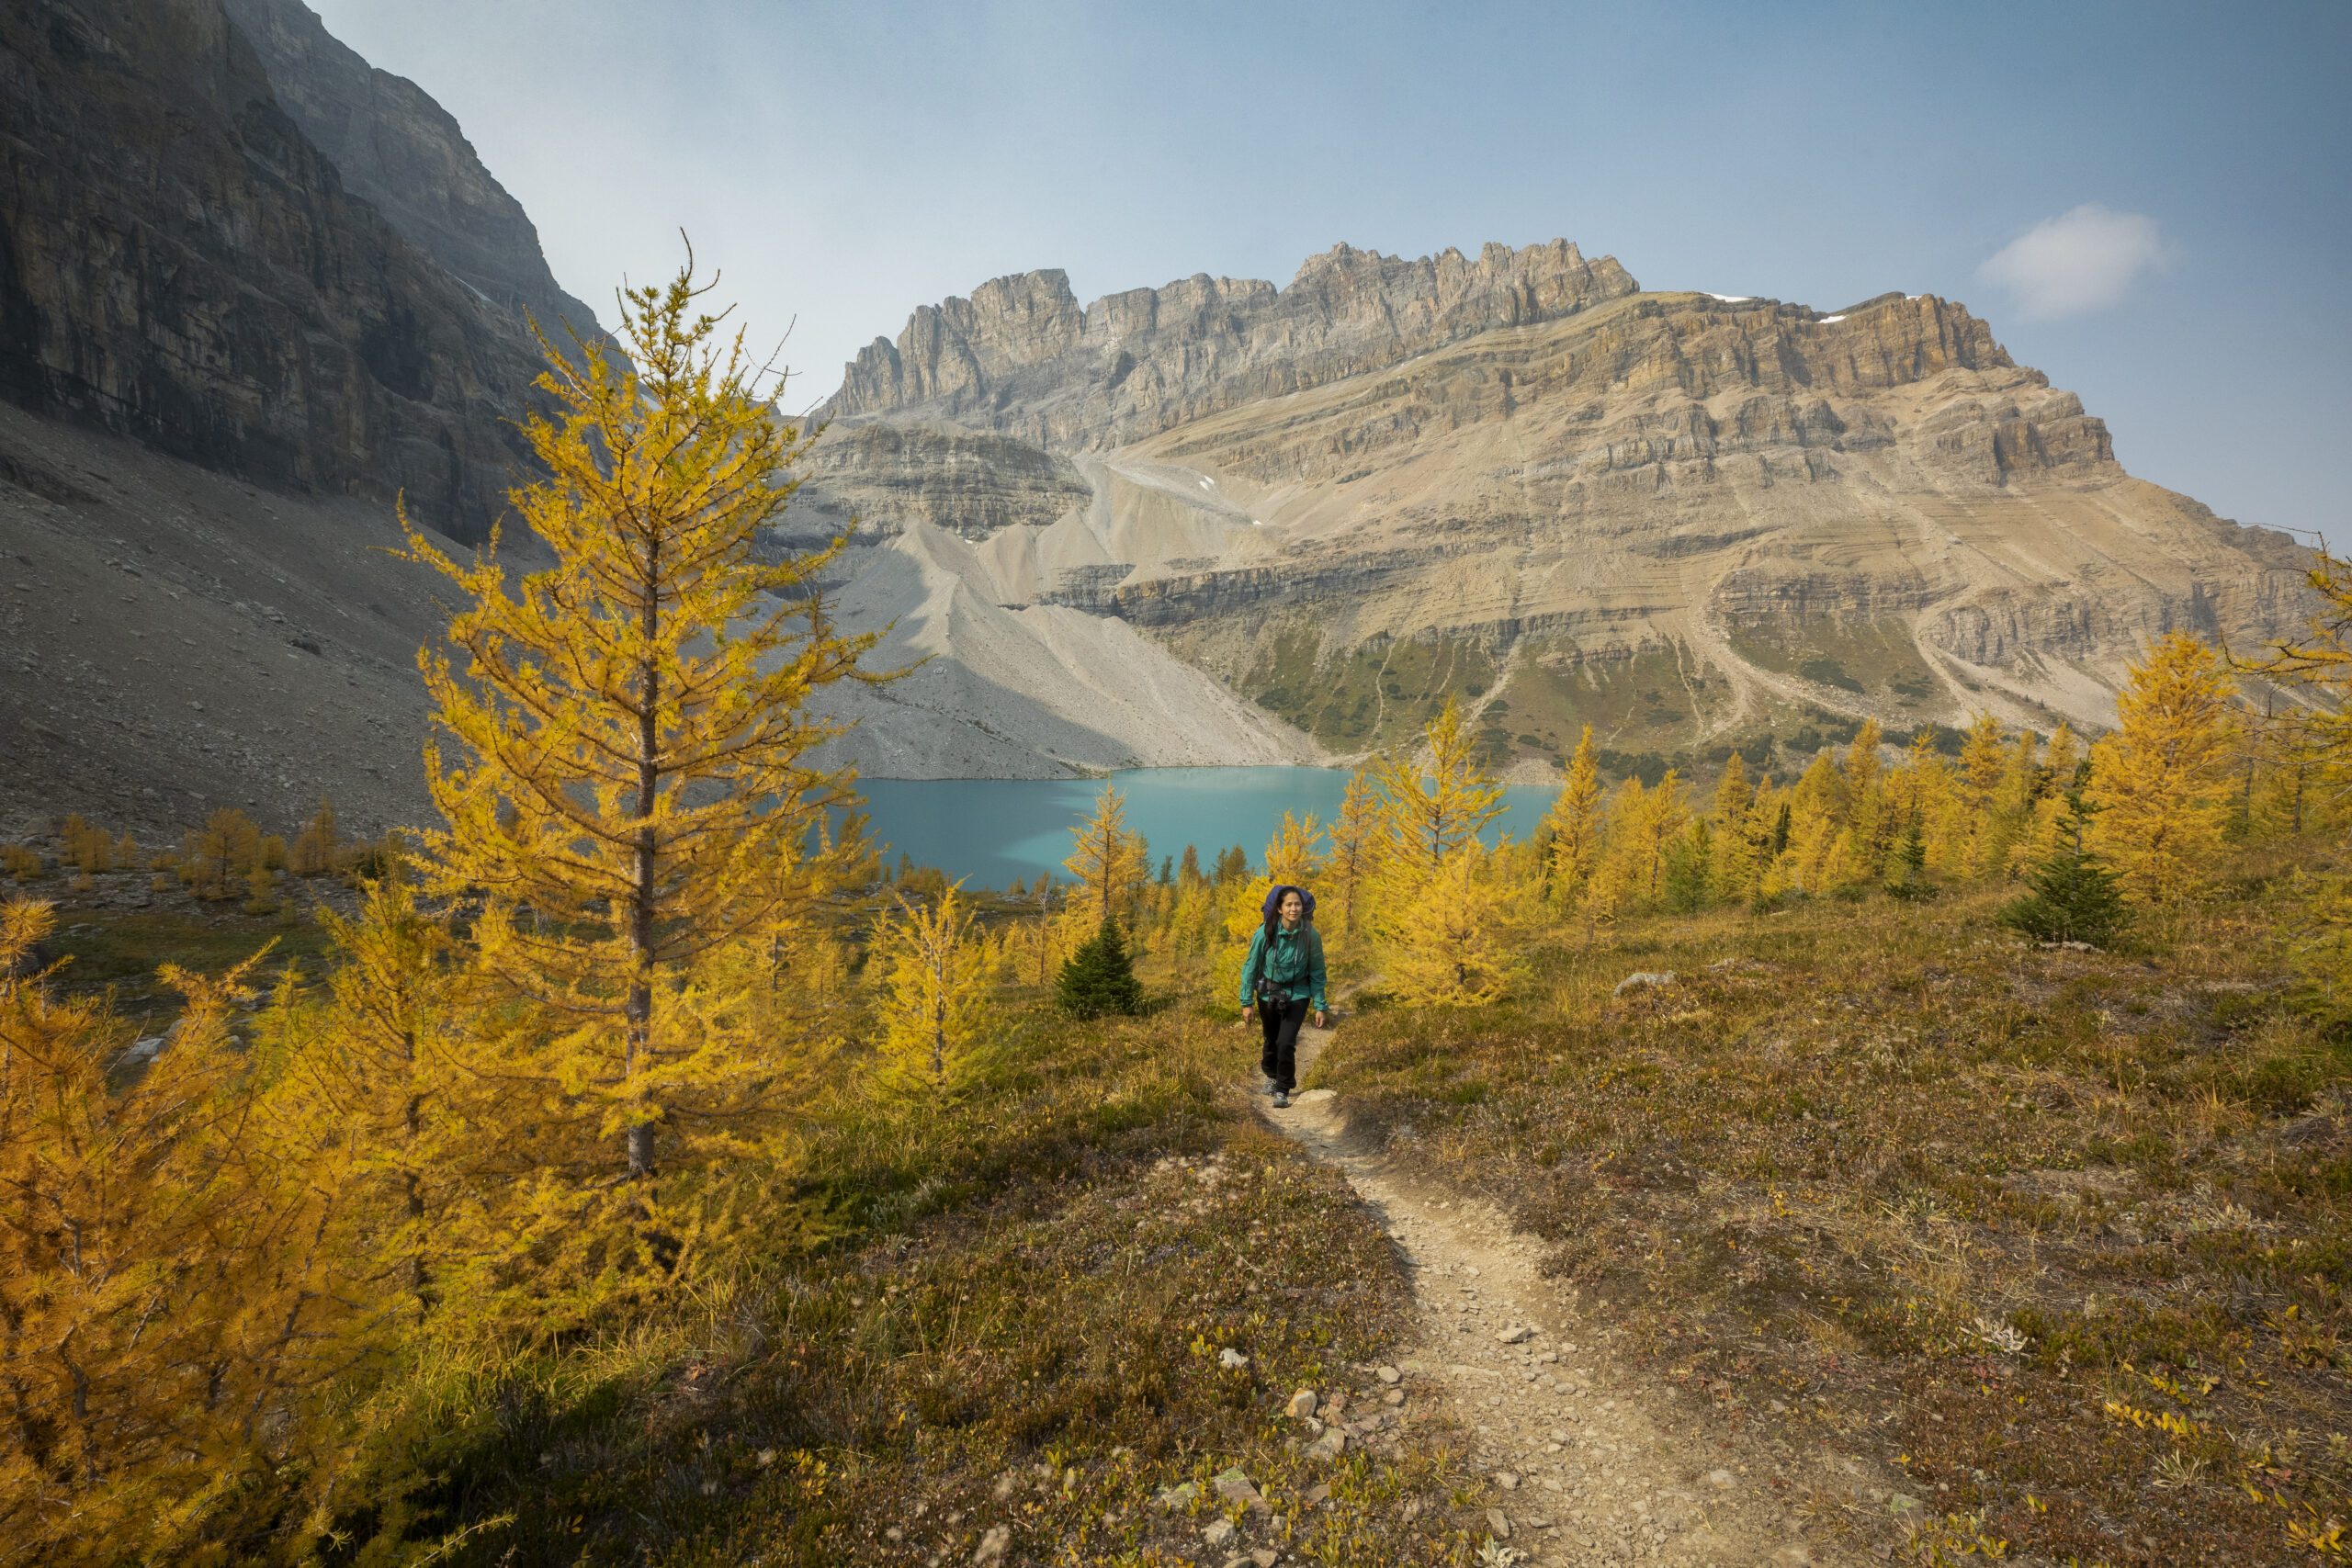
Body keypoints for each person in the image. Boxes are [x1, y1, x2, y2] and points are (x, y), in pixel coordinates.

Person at [1239, 884, 1327, 1109]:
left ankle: (1283, 1088)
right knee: (1270, 1041)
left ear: (1302, 908)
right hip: (1268, 993)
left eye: (1297, 904)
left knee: (1286, 1042)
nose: (1293, 909)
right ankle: (1271, 1074)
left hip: (1298, 993)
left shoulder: (1310, 934)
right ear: (1279, 908)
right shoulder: (1265, 932)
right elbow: (1251, 966)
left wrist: (1319, 1005)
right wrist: (1246, 1002)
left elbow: (1317, 970)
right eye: (1288, 904)